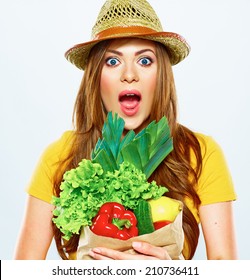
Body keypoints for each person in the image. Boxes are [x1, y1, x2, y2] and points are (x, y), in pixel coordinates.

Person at [14, 0, 237, 260]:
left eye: (144, 60)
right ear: (95, 77)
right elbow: (23, 272)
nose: (129, 74)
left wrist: (172, 275)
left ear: (161, 74)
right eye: (112, 61)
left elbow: (226, 270)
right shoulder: (59, 157)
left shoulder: (200, 154)